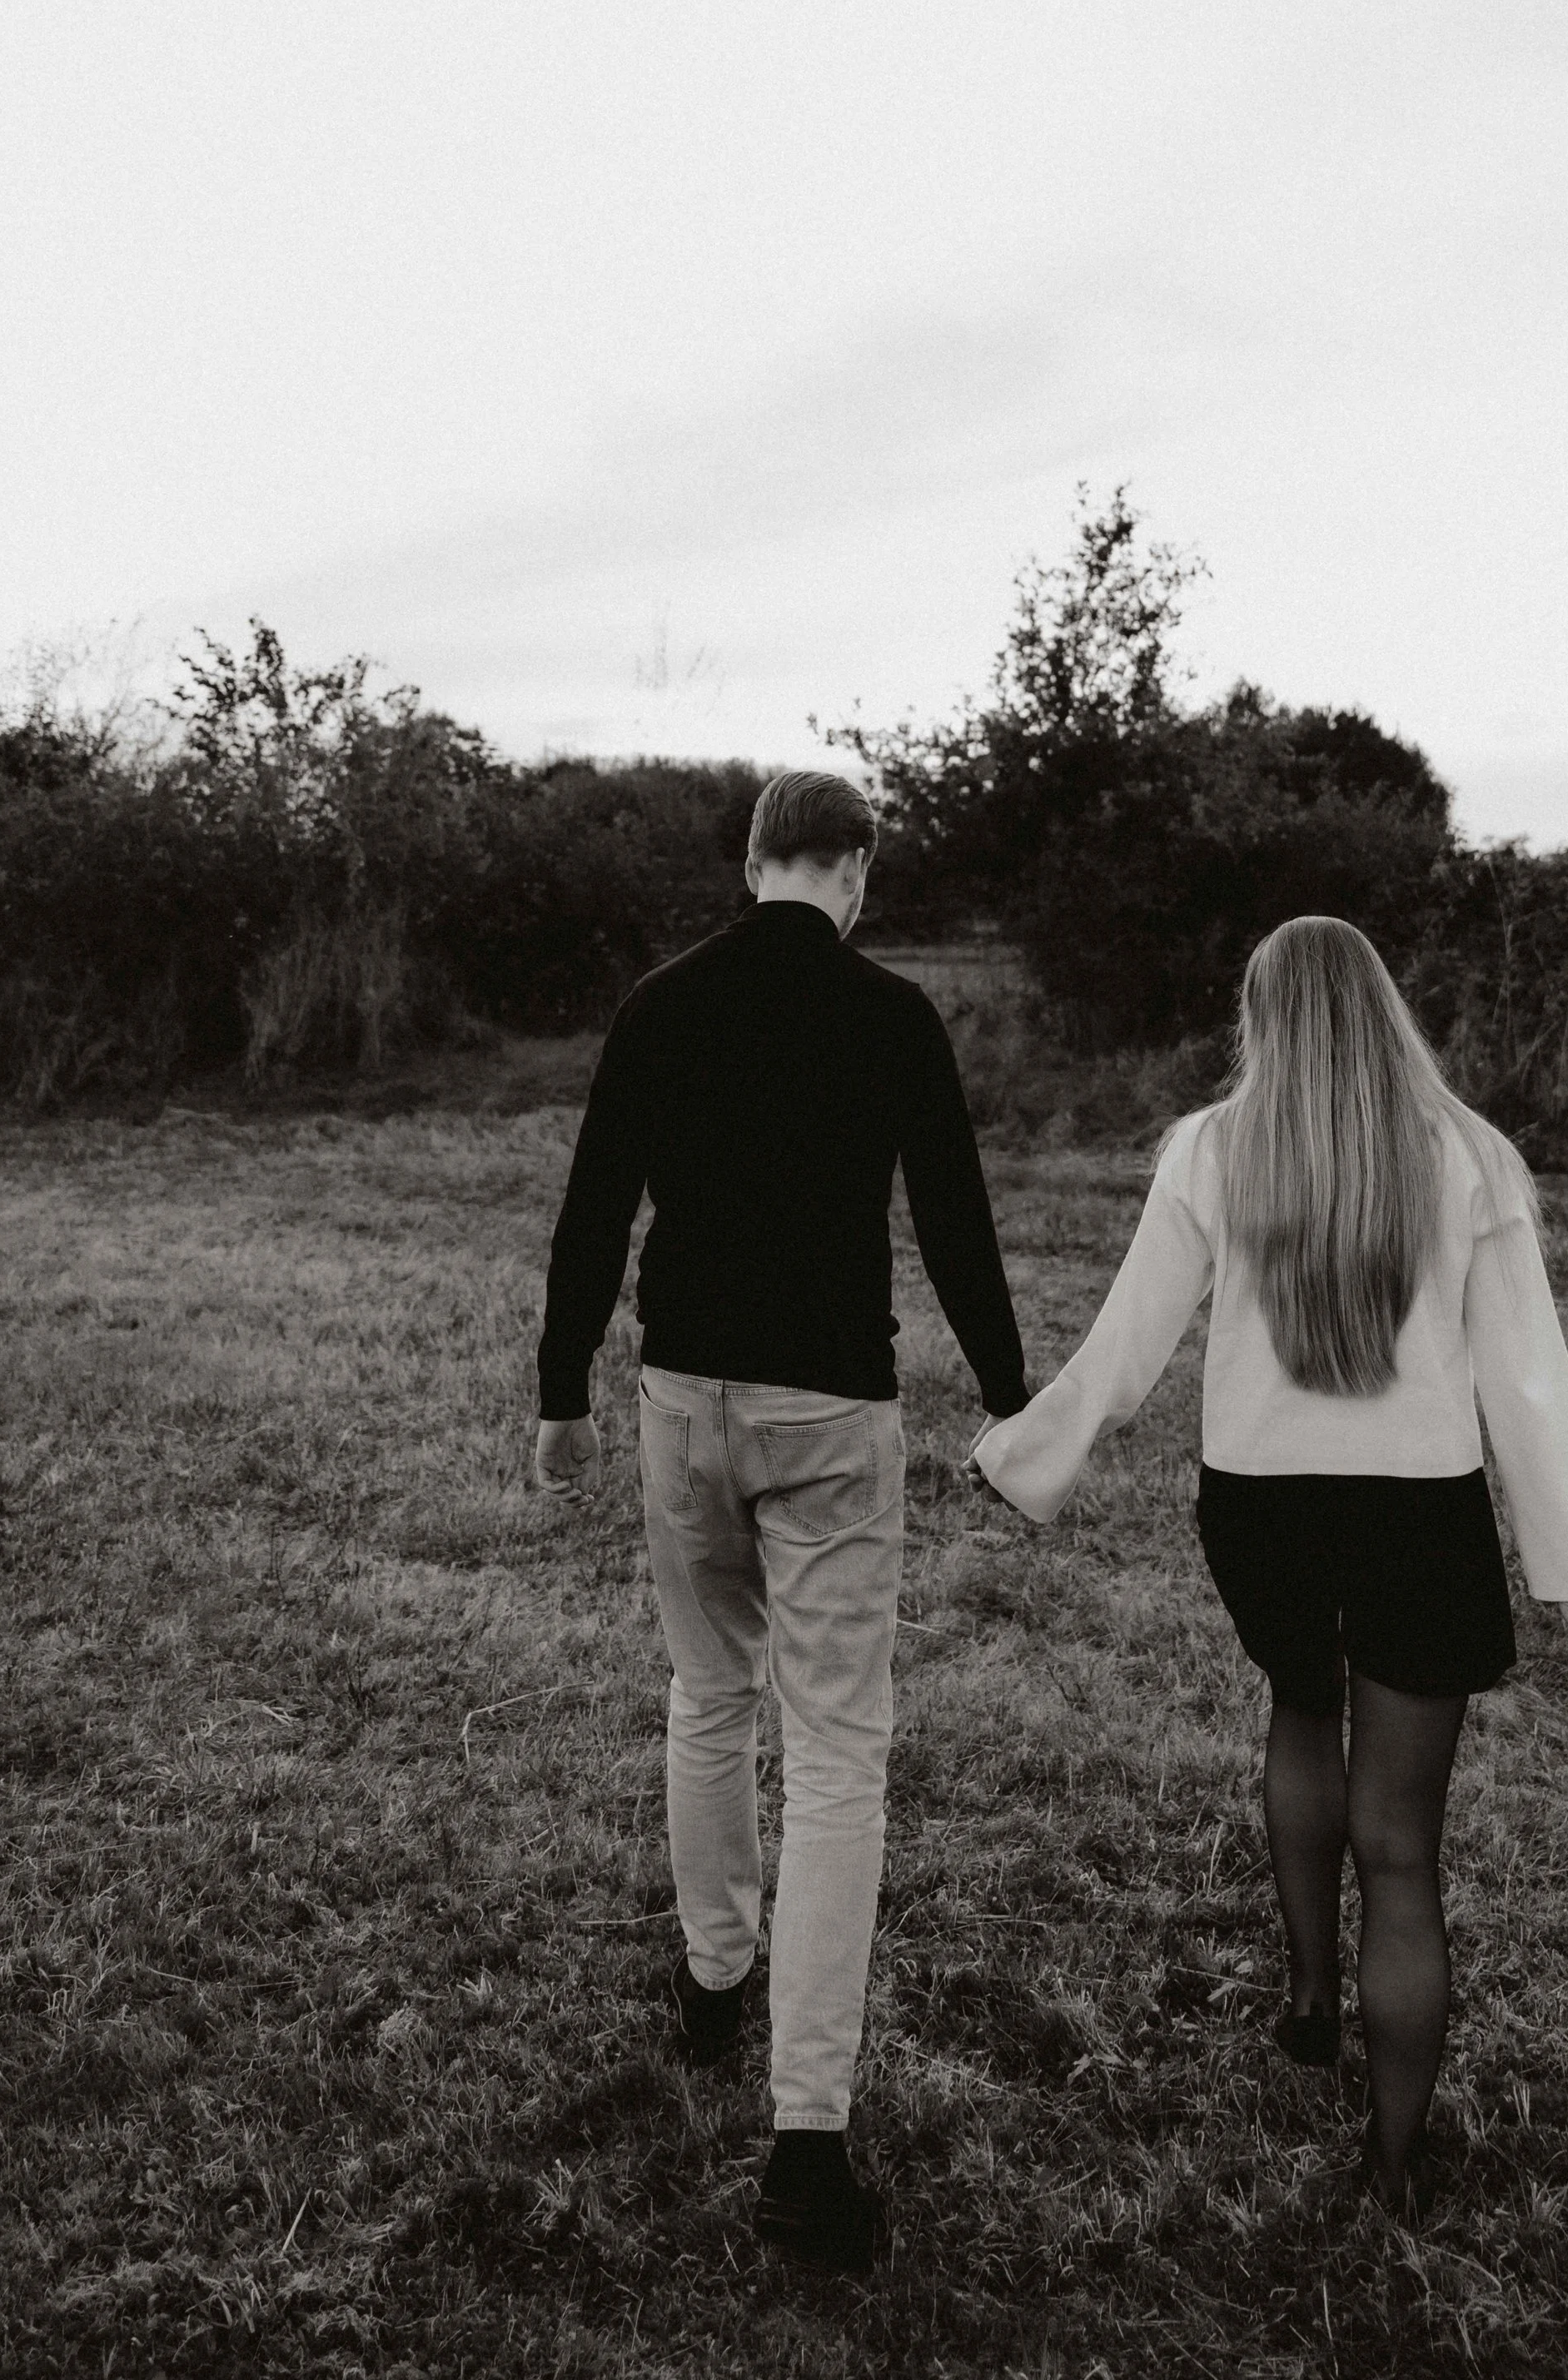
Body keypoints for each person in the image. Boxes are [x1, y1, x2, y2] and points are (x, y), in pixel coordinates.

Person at [973, 916, 1568, 2220]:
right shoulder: (1470, 1157)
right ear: (1383, 1009)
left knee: (1298, 1707)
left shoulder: (1211, 1149)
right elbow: (1529, 1386)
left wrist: (1023, 1453)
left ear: (1262, 1017)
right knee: (1403, 1850)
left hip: (1261, 1512)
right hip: (1416, 1519)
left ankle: (1310, 1997)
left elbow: (1128, 1342)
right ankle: (1392, 2158)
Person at [534, 768, 1029, 2273]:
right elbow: (952, 1216)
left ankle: (710, 1978)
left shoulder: (660, 1003)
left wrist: (562, 1394)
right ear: (857, 872)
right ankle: (807, 2143)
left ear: (753, 863)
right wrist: (1012, 1397)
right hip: (831, 1416)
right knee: (836, 1752)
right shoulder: (891, 1018)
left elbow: (594, 1204)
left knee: (706, 1691)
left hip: (685, 1400)